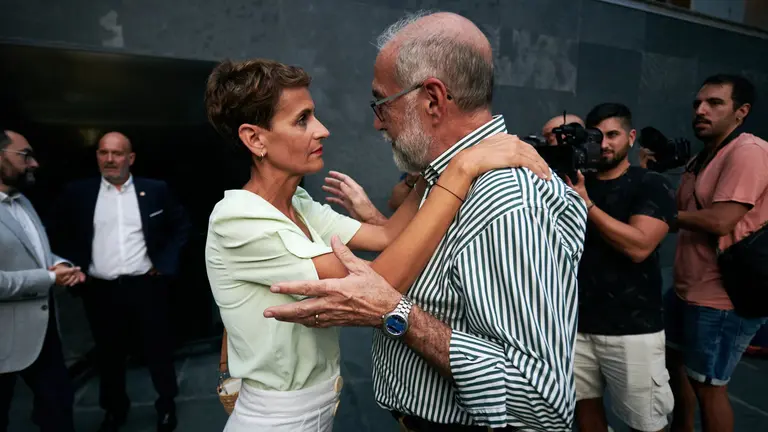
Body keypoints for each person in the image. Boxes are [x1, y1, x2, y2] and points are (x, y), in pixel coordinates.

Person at [263, 11, 588, 432]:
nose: (377, 121)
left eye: (381, 102)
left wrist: (397, 313)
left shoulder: (506, 204)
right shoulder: (445, 178)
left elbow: (541, 399)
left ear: (432, 99)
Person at [203, 58, 549, 432]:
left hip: (317, 409)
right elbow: (377, 283)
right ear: (255, 139)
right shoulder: (236, 219)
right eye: (302, 120)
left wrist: (433, 164)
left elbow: (387, 236)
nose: (322, 131)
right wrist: (461, 169)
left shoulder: (298, 205)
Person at [53, 132, 190, 432]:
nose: (110, 159)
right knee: (108, 354)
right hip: (101, 290)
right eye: (103, 153)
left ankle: (166, 406)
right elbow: (60, 231)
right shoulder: (79, 193)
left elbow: (180, 226)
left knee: (158, 349)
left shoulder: (154, 190)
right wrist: (72, 265)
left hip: (146, 286)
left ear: (131, 158)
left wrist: (163, 264)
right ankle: (114, 410)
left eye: (117, 153)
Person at [662, 74, 768, 432]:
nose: (701, 110)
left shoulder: (748, 151)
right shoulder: (703, 156)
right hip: (686, 288)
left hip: (724, 297)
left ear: (741, 112)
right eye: (697, 104)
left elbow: (721, 220)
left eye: (714, 103)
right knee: (675, 367)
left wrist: (661, 220)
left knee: (709, 387)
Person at [565, 103, 676, 432]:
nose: (604, 144)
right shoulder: (575, 182)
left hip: (632, 328)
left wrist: (586, 204)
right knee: (586, 412)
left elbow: (640, 246)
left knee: (646, 423)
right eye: (596, 136)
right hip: (577, 326)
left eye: (612, 135)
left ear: (630, 137)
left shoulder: (650, 184)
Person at [0, 130, 85, 432]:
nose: (34, 163)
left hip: (42, 334)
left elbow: (37, 251)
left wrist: (59, 263)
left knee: (59, 406)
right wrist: (50, 277)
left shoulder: (22, 201)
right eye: (25, 155)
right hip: (3, 340)